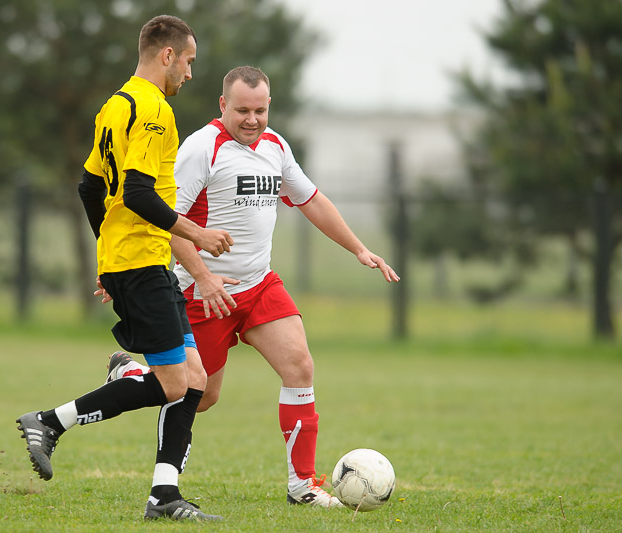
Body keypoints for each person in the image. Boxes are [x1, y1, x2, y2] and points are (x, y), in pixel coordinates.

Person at [100, 66, 400, 508]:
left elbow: (311, 200)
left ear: (269, 106)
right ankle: (132, 375)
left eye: (260, 110)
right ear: (223, 105)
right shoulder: (201, 148)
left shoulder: (275, 146)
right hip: (203, 292)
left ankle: (303, 486)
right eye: (242, 110)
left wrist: (358, 248)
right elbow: (166, 222)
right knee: (200, 395)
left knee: (299, 366)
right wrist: (201, 277)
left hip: (259, 285)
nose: (252, 120)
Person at [15, 15, 232, 522]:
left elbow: (90, 187)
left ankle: (164, 495)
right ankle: (51, 420)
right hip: (141, 264)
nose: (190, 73)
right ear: (167, 55)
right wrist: (196, 234)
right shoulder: (154, 110)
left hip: (138, 261)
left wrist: (106, 253)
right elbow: (136, 193)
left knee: (195, 379)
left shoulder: (114, 106)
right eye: (188, 61)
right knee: (175, 384)